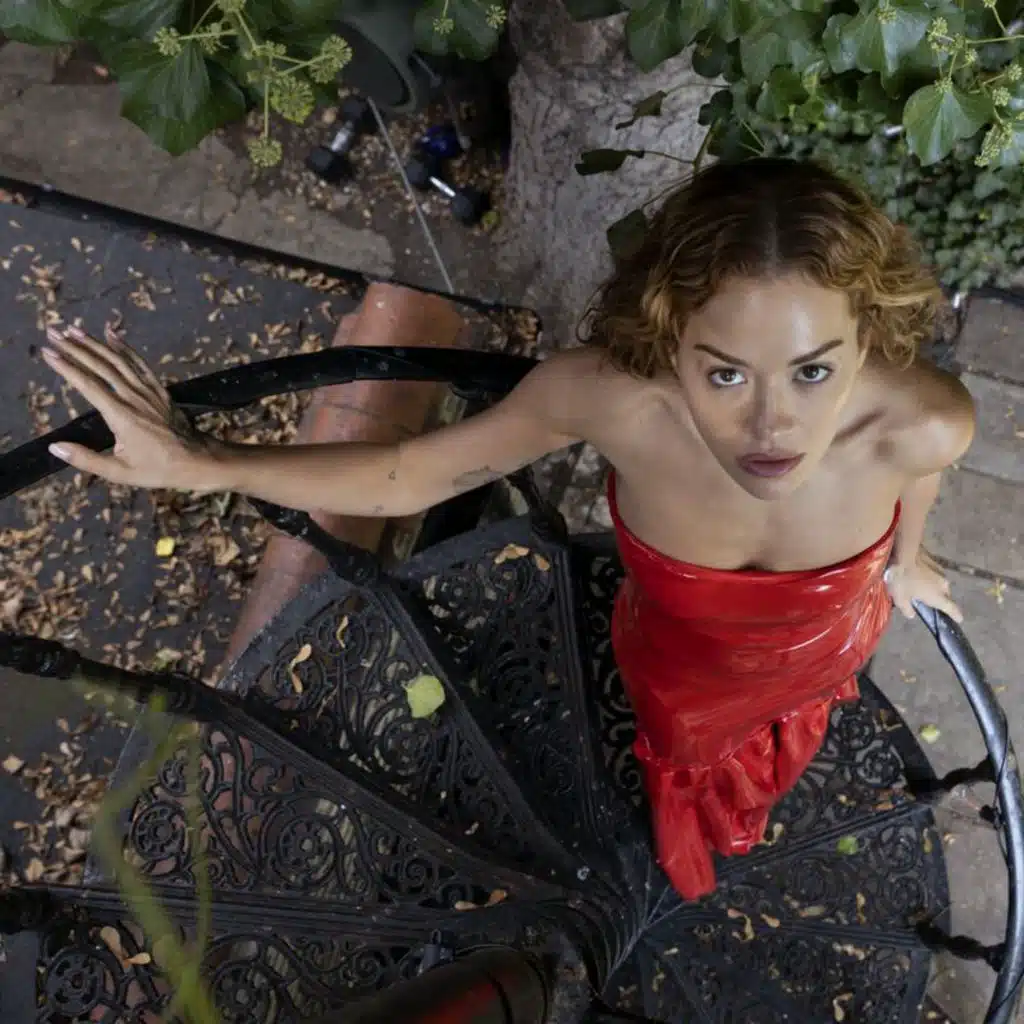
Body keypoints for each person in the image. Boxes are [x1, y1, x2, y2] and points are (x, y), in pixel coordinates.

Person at [39, 157, 974, 901]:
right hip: (677, 661)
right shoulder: (608, 400)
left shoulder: (925, 424)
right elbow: (411, 473)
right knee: (682, 755)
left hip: (821, 644)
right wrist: (207, 463)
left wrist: (907, 557)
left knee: (788, 735)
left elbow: (917, 483)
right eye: (724, 373)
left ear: (868, 335)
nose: (772, 427)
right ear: (669, 335)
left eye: (813, 371)